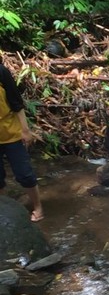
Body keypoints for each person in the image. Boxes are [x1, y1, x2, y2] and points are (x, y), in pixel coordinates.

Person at [0, 63, 44, 222]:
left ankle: (38, 206)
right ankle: (4, 212)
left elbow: (17, 103)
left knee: (24, 174)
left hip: (11, 133)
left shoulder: (1, 72)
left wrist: (25, 131)